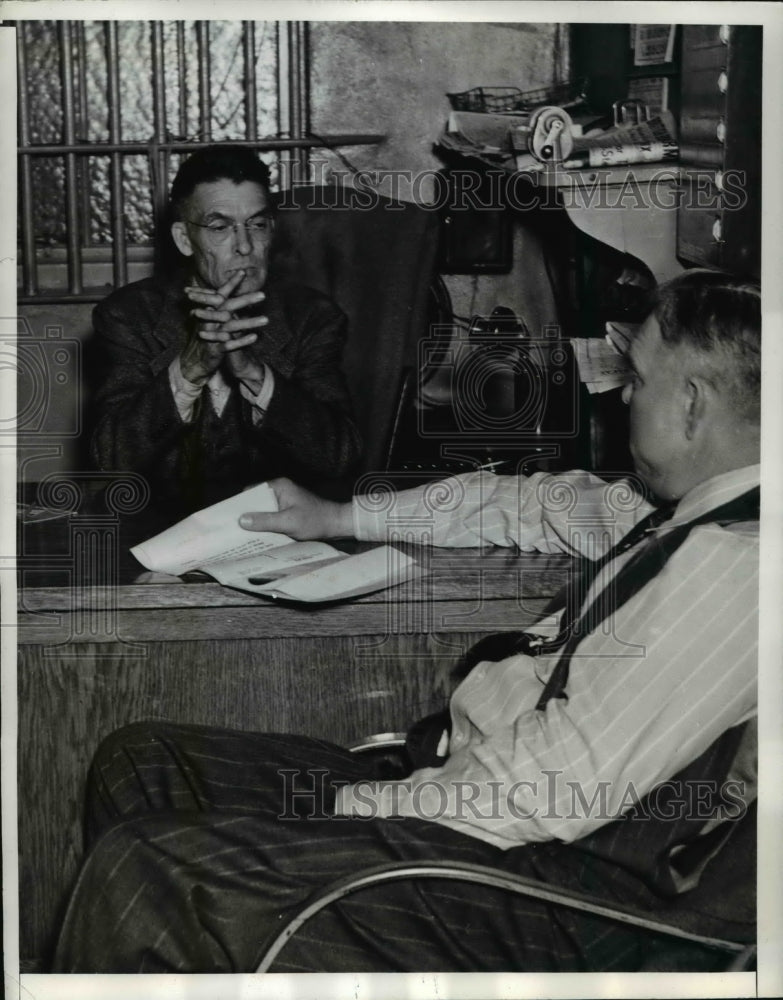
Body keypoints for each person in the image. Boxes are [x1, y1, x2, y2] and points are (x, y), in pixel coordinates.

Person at [53, 270, 760, 973]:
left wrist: (353, 807)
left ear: (692, 406)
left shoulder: (732, 565)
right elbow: (520, 504)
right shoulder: (682, 510)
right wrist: (338, 515)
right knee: (143, 764)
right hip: (472, 807)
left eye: (635, 378)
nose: (623, 396)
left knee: (141, 872)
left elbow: (546, 792)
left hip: (543, 891)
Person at [89, 144, 361, 514]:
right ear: (185, 239)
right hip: (158, 534)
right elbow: (109, 460)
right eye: (220, 227)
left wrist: (254, 374)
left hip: (276, 536)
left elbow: (340, 457)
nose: (245, 246)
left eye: (257, 224)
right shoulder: (128, 316)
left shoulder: (313, 317)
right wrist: (191, 368)